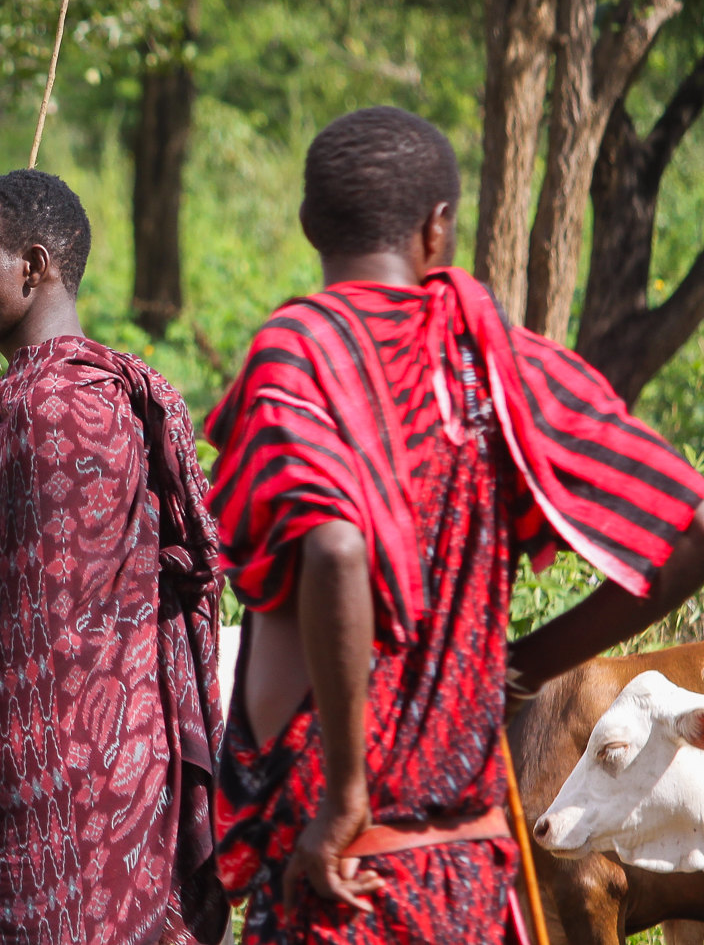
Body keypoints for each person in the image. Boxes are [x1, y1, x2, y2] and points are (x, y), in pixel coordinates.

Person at [206, 106, 704, 943]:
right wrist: (527, 663)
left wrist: (345, 793)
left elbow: (335, 548)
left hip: (340, 868)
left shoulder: (301, 353)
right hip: (467, 869)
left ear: (307, 223)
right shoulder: (497, 365)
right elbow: (690, 530)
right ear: (439, 228)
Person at [0, 169, 230, 945]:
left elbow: (56, 634)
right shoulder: (51, 402)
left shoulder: (54, 408)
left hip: (55, 813)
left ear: (34, 266)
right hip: (92, 788)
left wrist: (10, 460)